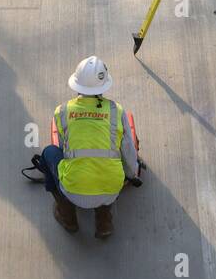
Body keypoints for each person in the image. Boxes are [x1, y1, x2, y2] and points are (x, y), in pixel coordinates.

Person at [36, 56, 141, 240]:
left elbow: (63, 148)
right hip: (110, 190)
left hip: (73, 190)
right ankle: (104, 221)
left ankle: (68, 217)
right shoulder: (116, 111)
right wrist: (133, 174)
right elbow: (128, 149)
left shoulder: (61, 111)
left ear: (76, 84)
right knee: (107, 171)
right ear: (104, 85)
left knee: (48, 153)